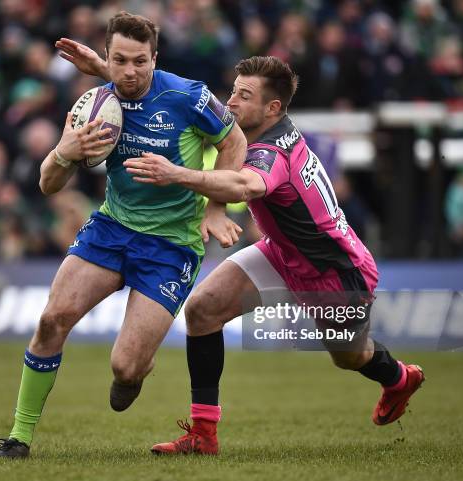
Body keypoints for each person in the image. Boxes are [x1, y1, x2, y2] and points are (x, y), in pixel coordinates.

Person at [122, 56, 425, 455]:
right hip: (282, 253)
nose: (230, 102)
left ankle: (399, 378)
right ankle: (203, 435)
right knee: (202, 309)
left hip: (333, 273)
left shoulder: (270, 152)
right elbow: (183, 98)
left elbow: (246, 185)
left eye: (243, 96)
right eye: (233, 91)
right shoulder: (261, 132)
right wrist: (109, 70)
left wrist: (176, 174)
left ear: (272, 108)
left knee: (351, 357)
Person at [0, 11, 246, 458]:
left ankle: (134, 370)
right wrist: (62, 152)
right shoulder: (94, 104)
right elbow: (48, 184)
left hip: (171, 246)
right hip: (111, 228)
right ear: (107, 57)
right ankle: (19, 439)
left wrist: (216, 205)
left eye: (140, 62)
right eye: (119, 60)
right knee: (52, 320)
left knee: (126, 369)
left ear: (155, 58)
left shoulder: (189, 97)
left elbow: (234, 140)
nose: (130, 72)